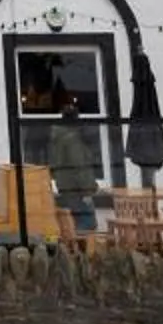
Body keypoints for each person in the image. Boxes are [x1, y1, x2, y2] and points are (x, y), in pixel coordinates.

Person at [48, 97, 101, 234]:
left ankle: (73, 250)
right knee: (87, 227)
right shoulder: (73, 140)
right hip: (78, 189)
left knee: (70, 225)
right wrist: (89, 189)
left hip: (65, 186)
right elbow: (80, 167)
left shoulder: (57, 138)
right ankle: (85, 252)